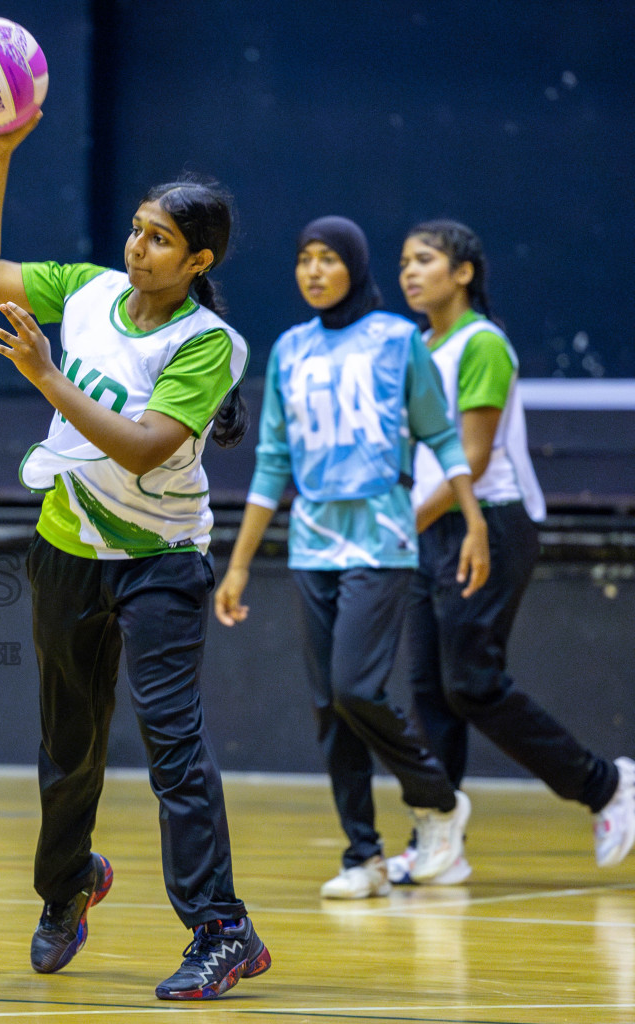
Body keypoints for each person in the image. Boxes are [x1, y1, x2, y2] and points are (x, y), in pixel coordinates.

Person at [0, 113, 269, 1001]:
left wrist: (49, 379)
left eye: (161, 239)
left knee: (174, 746)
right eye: (137, 229)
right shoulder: (92, 291)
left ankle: (222, 929)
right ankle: (67, 889)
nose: (138, 248)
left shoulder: (208, 344)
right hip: (66, 545)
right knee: (68, 745)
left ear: (198, 262)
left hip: (160, 561)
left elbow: (141, 447)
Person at [214, 216, 490, 901]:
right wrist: (241, 563)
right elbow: (273, 462)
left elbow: (444, 439)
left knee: (354, 688)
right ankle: (361, 854)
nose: (312, 271)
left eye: (327, 259)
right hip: (312, 543)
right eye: (303, 258)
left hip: (382, 540)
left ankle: (439, 799)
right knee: (327, 707)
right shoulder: (288, 350)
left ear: (354, 267)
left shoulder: (398, 340)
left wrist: (475, 520)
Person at [386, 220, 634, 884]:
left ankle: (608, 786)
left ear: (463, 272)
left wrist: (400, 521)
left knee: (471, 683)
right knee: (429, 692)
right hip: (427, 528)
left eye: (426, 259)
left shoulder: (482, 344)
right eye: (405, 261)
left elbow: (473, 455)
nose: (411, 271)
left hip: (487, 524)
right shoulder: (415, 345)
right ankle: (437, 837)